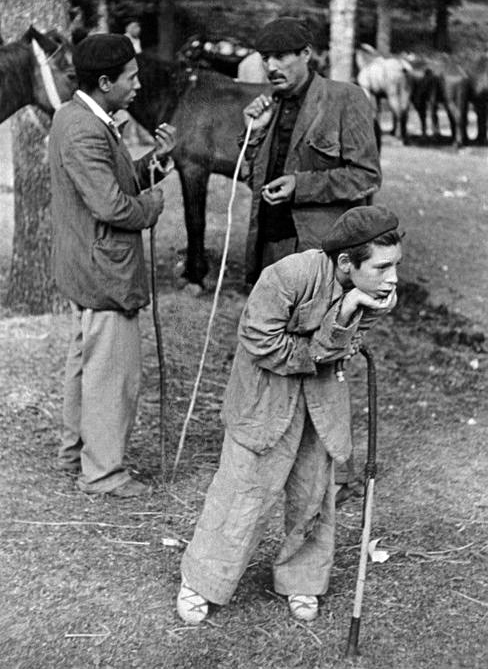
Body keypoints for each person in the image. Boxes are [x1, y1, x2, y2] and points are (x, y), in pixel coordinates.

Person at [176, 205, 402, 624]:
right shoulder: (287, 276)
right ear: (346, 264)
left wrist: (351, 311)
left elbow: (345, 346)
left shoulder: (376, 292)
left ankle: (303, 579)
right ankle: (203, 580)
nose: (392, 278)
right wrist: (325, 340)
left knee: (314, 494)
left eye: (396, 266)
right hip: (265, 398)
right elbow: (260, 341)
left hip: (321, 400)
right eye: (383, 267)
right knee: (243, 493)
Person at [241, 16, 382, 502]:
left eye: (282, 56)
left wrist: (302, 185)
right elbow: (248, 178)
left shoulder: (345, 99)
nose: (272, 66)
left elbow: (364, 177)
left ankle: (336, 475)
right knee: (282, 359)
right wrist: (254, 133)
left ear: (307, 55)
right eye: (266, 57)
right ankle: (289, 463)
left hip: (322, 255)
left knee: (326, 359)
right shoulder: (268, 109)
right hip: (275, 253)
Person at [49, 33, 176, 497]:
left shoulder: (79, 117)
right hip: (103, 268)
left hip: (88, 262)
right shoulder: (84, 128)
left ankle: (75, 450)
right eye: (131, 77)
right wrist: (152, 205)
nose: (138, 85)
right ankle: (103, 472)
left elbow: (111, 180)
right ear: (105, 82)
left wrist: (155, 163)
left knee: (87, 361)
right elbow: (112, 206)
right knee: (111, 371)